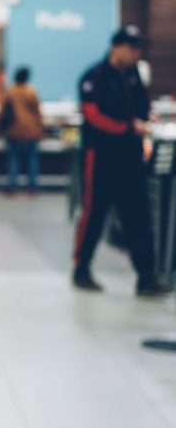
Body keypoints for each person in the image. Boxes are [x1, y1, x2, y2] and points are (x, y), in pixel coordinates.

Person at [72, 25, 172, 296]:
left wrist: (148, 118)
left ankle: (146, 275)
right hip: (101, 156)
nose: (135, 54)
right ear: (116, 46)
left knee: (138, 215)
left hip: (130, 156)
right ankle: (81, 269)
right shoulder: (94, 77)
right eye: (132, 48)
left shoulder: (133, 75)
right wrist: (128, 127)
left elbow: (143, 105)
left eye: (138, 49)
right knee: (94, 213)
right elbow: (92, 116)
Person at [0, 67, 45, 195]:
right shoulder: (31, 92)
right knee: (32, 159)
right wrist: (41, 128)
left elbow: (2, 112)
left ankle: (12, 186)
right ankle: (33, 187)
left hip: (14, 130)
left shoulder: (10, 92)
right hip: (31, 130)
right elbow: (38, 112)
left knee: (13, 159)